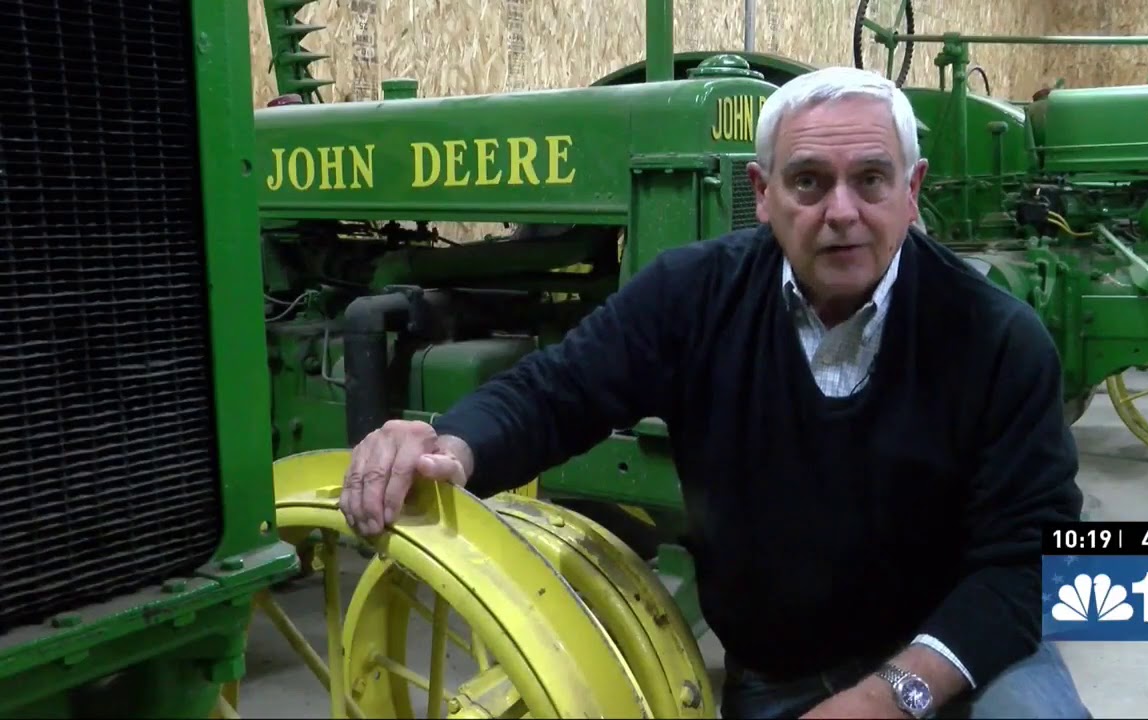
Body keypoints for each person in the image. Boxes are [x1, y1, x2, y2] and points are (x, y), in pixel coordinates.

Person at [338, 66, 1091, 720]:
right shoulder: (693, 294)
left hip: (957, 655)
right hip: (781, 675)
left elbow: (1027, 562)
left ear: (912, 189)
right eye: (808, 181)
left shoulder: (997, 337)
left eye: (870, 179)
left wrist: (892, 694)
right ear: (762, 194)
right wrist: (448, 446)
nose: (840, 212)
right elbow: (558, 390)